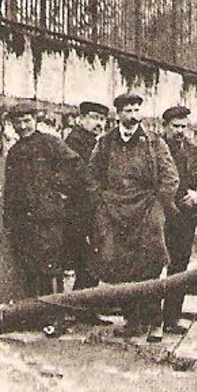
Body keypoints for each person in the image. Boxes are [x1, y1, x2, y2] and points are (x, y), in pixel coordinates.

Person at [89, 92, 179, 338]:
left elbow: (170, 177)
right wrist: (102, 204)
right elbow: (92, 176)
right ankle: (132, 321)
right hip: (114, 212)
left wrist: (159, 204)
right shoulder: (105, 142)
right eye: (128, 111)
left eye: (137, 109)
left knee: (150, 264)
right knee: (120, 266)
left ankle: (155, 322)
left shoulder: (154, 142)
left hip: (147, 210)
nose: (133, 115)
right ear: (118, 114)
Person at [3, 102, 86, 297]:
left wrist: (56, 190)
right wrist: (9, 218)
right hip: (24, 220)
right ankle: (36, 315)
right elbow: (10, 189)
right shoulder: (14, 152)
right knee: (30, 269)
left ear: (35, 120)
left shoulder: (50, 143)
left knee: (50, 268)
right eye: (18, 122)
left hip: (48, 219)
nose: (23, 126)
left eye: (27, 121)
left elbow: (74, 165)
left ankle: (54, 316)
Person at [160, 105, 197, 335]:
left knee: (179, 268)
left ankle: (171, 318)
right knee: (151, 267)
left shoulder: (194, 152)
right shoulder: (154, 149)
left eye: (184, 126)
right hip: (159, 216)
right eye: (175, 127)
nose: (180, 131)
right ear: (164, 126)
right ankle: (146, 318)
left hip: (185, 218)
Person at [62, 102, 109, 289]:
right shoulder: (75, 143)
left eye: (102, 119)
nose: (99, 123)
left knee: (90, 259)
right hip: (79, 210)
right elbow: (81, 177)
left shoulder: (98, 143)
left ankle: (84, 307)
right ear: (81, 119)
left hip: (92, 208)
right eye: (94, 117)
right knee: (85, 259)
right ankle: (80, 307)